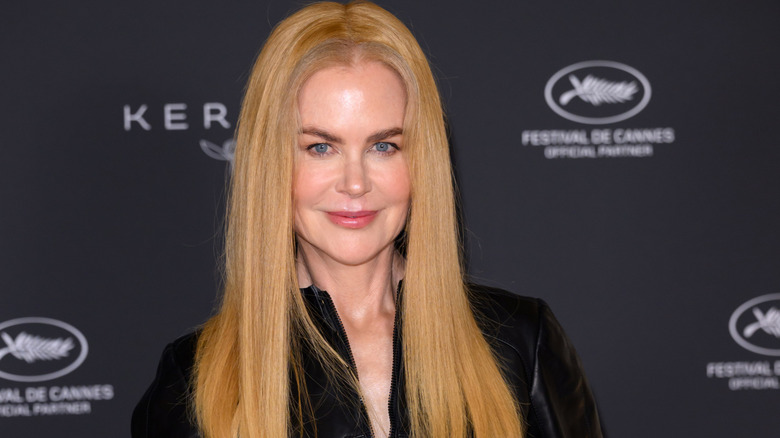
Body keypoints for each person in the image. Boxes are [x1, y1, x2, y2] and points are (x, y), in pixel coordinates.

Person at [131, 2, 603, 437]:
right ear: (270, 164)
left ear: (421, 162)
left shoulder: (520, 342)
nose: (355, 183)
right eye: (320, 147)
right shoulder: (198, 381)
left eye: (383, 146)